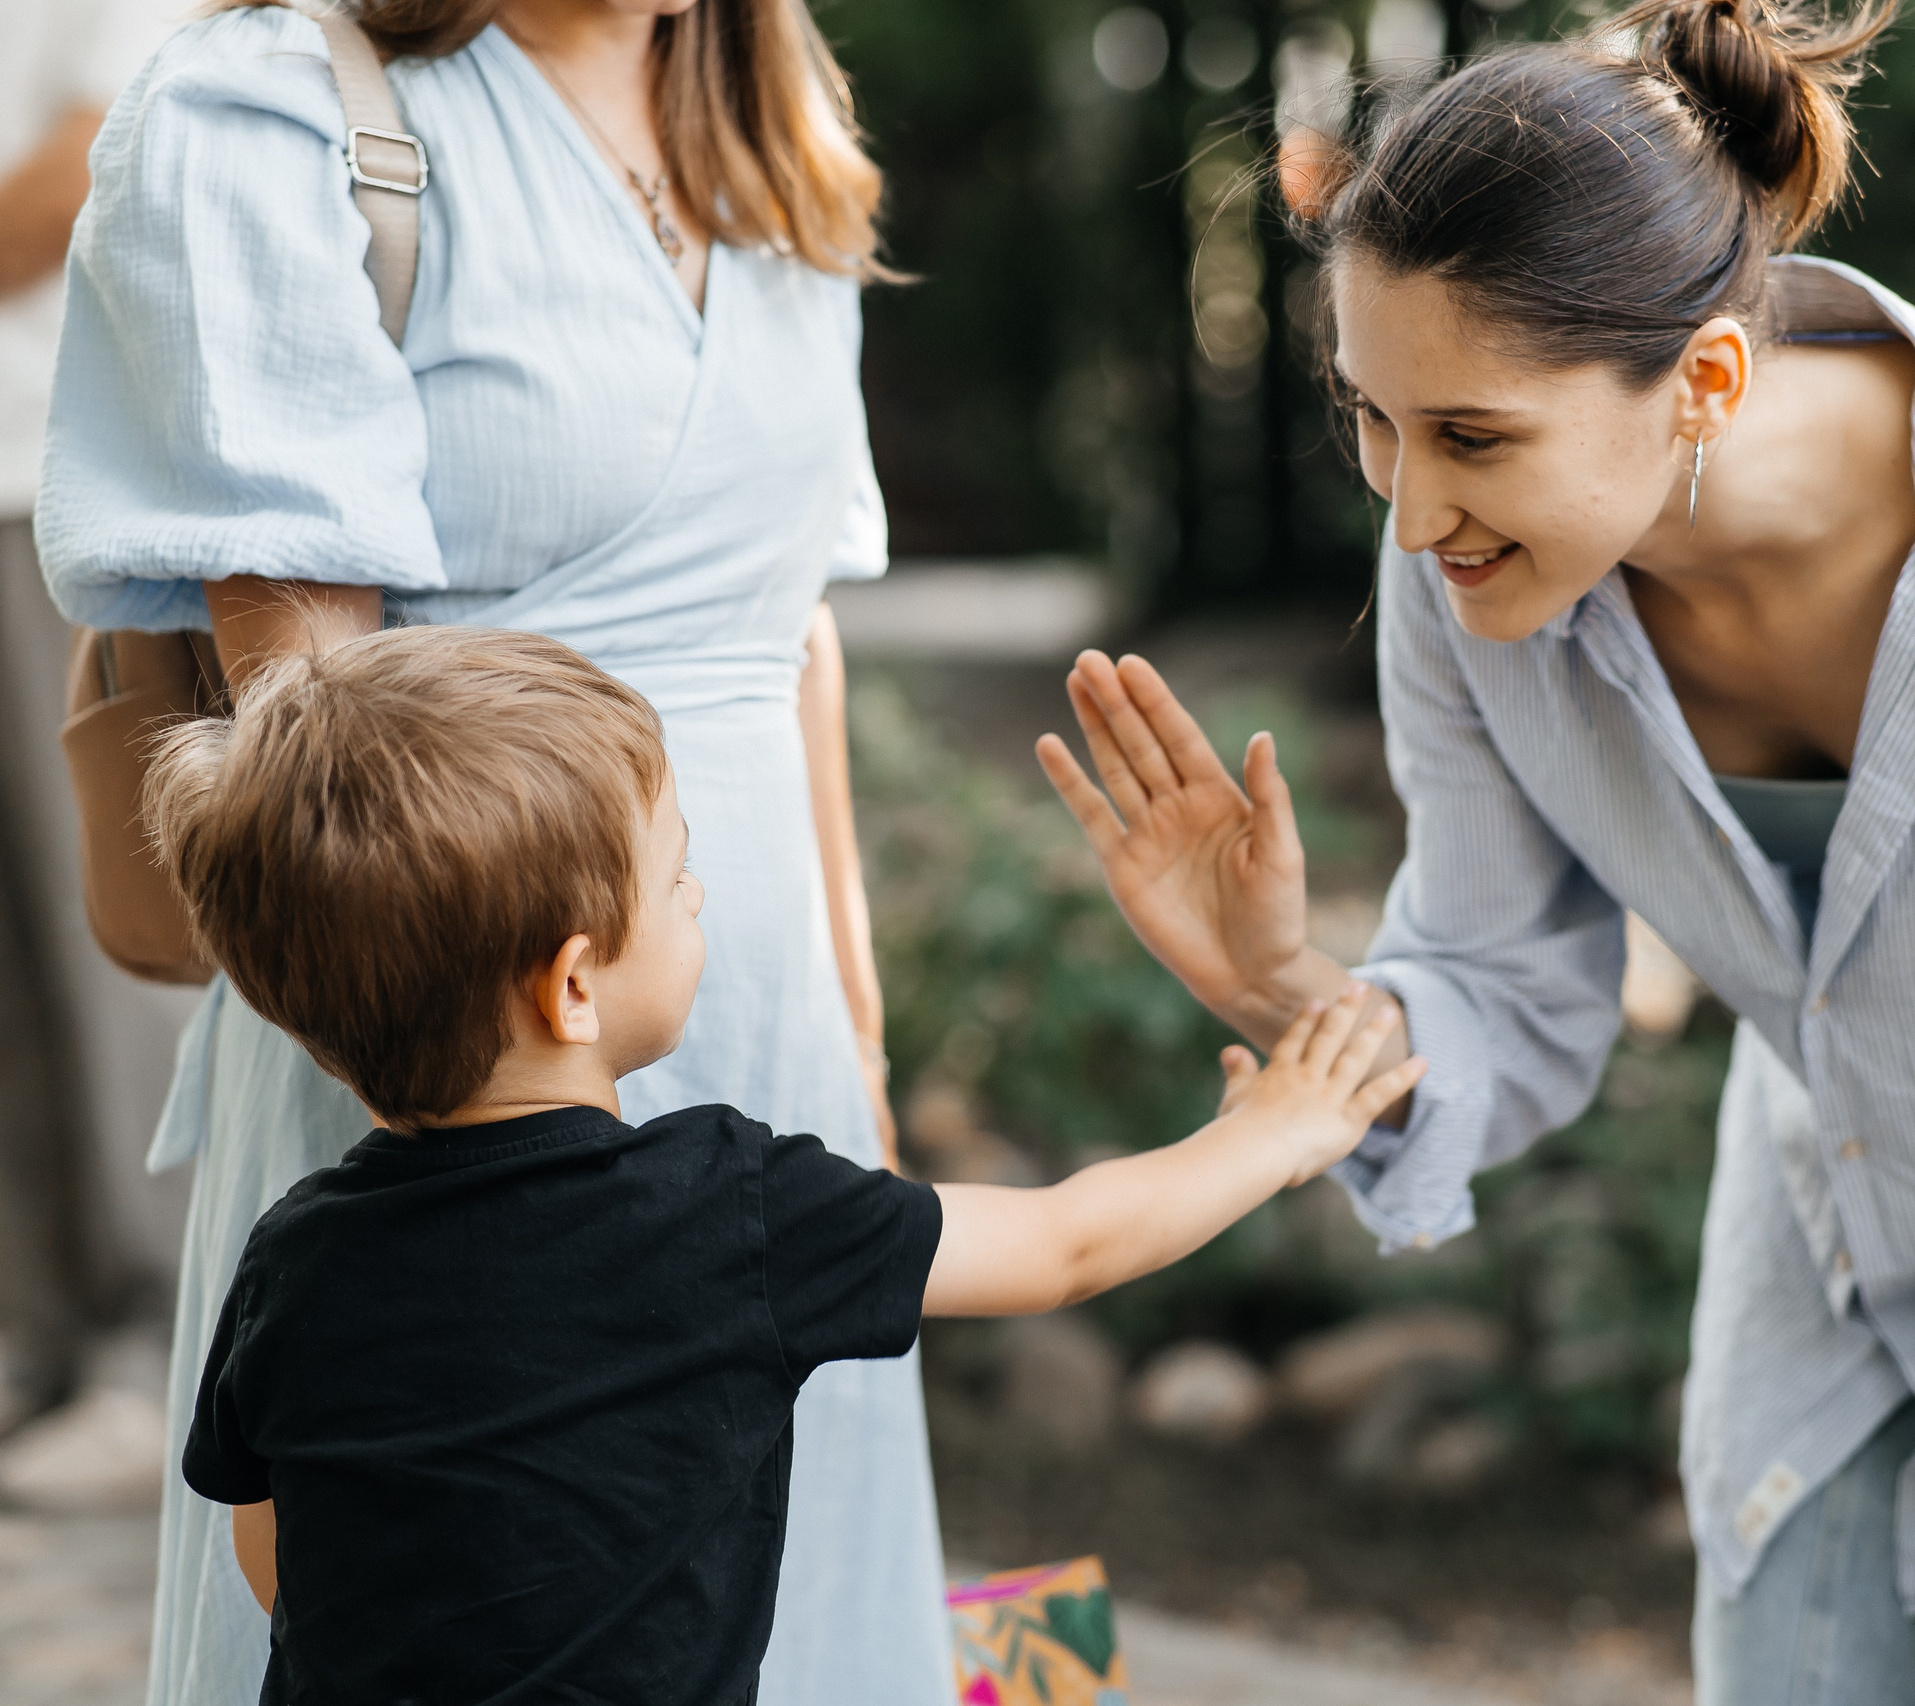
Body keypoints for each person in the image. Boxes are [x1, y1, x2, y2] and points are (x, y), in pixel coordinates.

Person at [1033, 1, 1915, 1701]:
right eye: (1374, 419)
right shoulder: (1465, 573)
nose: (1406, 509)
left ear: (1704, 381)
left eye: (1474, 435)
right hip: (1865, 1112)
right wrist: (1278, 980)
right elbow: (1500, 988)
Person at [34, 0, 947, 1696]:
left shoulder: (774, 126)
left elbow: (789, 629)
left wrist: (854, 1037)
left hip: (766, 1051)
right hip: (460, 1068)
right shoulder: (273, 117)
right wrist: (525, 1194)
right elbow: (328, 758)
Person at [148, 624, 1421, 1704]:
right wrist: (1273, 1129)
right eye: (677, 872)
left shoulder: (292, 1256)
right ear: (574, 982)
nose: (699, 894)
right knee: (1037, 1663)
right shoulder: (727, 1206)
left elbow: (277, 1560)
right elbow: (1065, 1241)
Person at [0, 0, 187, 1428]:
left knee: (109, 916)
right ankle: (39, 1332)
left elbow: (91, 151)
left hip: (60, 475)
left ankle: (155, 1339)